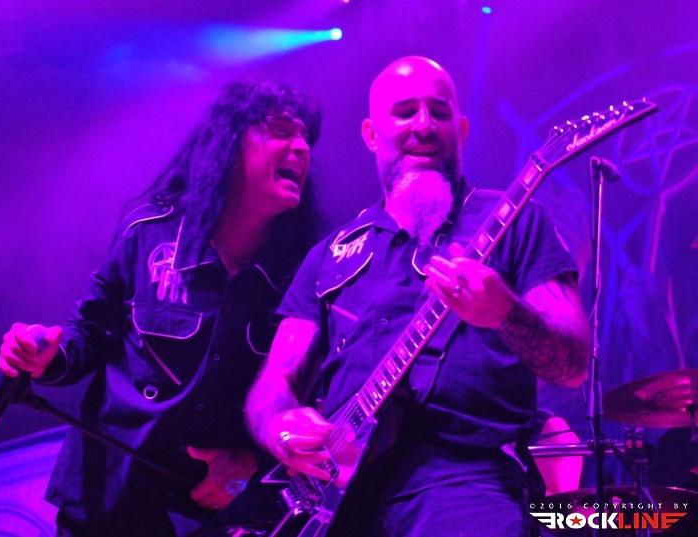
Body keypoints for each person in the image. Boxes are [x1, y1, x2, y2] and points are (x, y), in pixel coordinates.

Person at [245, 56, 589, 536]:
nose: (424, 126)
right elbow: (273, 384)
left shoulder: (513, 220)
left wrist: (506, 313)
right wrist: (279, 426)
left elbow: (573, 364)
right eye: (405, 112)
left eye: (439, 113)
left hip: (463, 482)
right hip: (338, 497)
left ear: (461, 130)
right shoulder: (329, 255)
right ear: (371, 134)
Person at [0, 80, 321, 537]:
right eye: (282, 131)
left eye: (307, 138)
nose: (301, 148)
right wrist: (45, 355)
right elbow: (89, 334)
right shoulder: (150, 233)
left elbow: (306, 397)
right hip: (108, 501)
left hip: (211, 518)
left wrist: (250, 460)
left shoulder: (303, 272)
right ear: (233, 141)